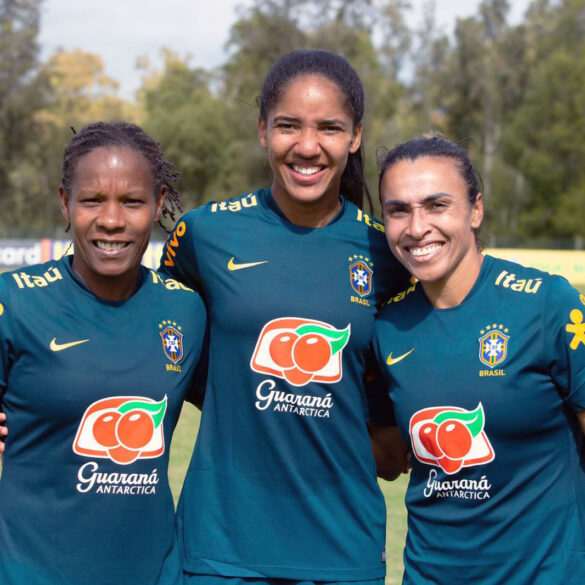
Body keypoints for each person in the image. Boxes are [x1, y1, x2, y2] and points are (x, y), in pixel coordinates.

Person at [159, 49, 410, 584]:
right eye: (288, 126)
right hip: (222, 548)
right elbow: (156, 352)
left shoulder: (387, 253)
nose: (307, 146)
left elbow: (408, 383)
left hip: (343, 550)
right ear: (262, 129)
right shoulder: (202, 235)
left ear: (355, 137)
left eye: (330, 128)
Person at [371, 135, 585, 584]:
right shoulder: (386, 326)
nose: (416, 227)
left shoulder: (547, 303)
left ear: (475, 209)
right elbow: (388, 459)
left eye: (436, 205)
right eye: (398, 210)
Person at [0, 121, 207, 585]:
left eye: (132, 202)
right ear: (65, 203)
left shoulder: (187, 310)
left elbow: (241, 408)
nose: (111, 220)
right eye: (92, 200)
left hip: (154, 575)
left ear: (157, 206)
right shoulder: (15, 302)